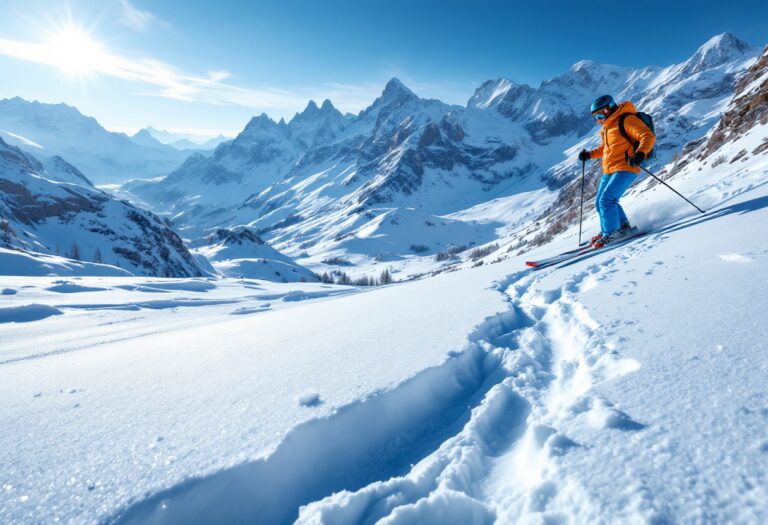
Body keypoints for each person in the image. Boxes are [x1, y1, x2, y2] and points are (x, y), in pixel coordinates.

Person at [578, 95, 655, 247]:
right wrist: (589, 155)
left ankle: (612, 233)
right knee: (600, 202)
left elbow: (647, 136)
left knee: (607, 200)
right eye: (595, 116)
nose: (599, 119)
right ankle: (622, 227)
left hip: (626, 166)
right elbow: (606, 148)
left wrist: (640, 153)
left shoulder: (626, 120)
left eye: (601, 114)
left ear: (610, 108)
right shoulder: (607, 127)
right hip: (609, 169)